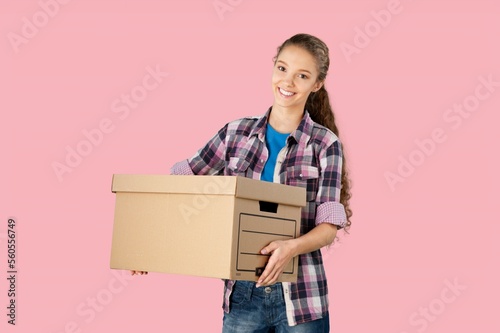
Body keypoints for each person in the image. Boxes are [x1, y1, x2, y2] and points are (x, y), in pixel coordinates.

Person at [131, 33, 352, 332]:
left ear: (316, 84)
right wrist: (147, 243)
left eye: (302, 75)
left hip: (301, 296)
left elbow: (328, 227)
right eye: (282, 68)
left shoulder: (326, 144)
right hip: (243, 295)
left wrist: (291, 247)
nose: (287, 82)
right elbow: (180, 186)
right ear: (273, 67)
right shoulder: (235, 133)